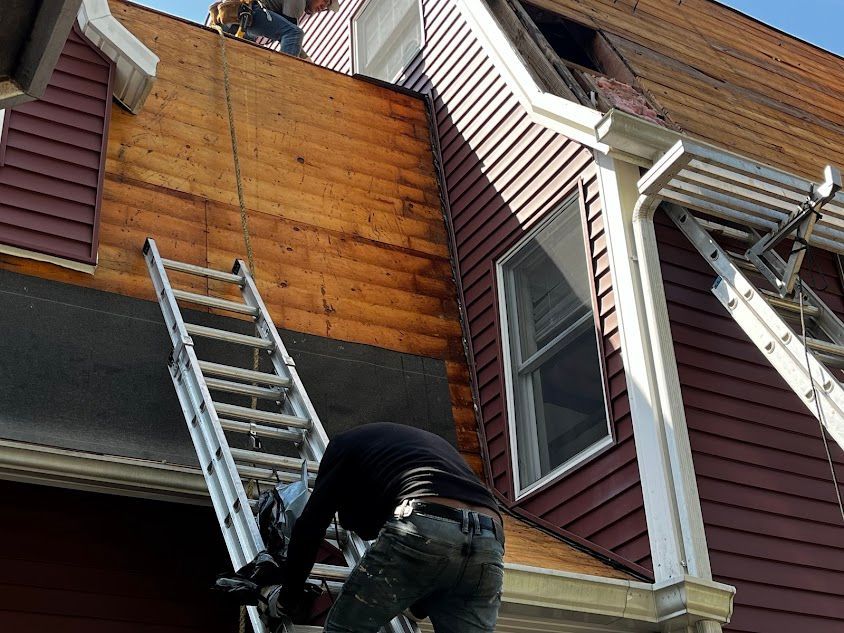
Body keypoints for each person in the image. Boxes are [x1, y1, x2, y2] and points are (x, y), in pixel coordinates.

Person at [270, 422, 505, 632]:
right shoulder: (399, 458)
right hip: (490, 538)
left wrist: (288, 596)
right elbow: (446, 554)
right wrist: (416, 602)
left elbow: (310, 527)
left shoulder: (343, 446)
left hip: (425, 519)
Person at [236, 0, 339, 57]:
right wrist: (307, 61)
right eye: (325, 0)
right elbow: (292, 38)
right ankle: (283, 74)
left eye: (327, 6)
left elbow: (291, 42)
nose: (323, 6)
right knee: (295, 33)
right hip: (248, 12)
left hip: (243, 20)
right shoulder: (299, 2)